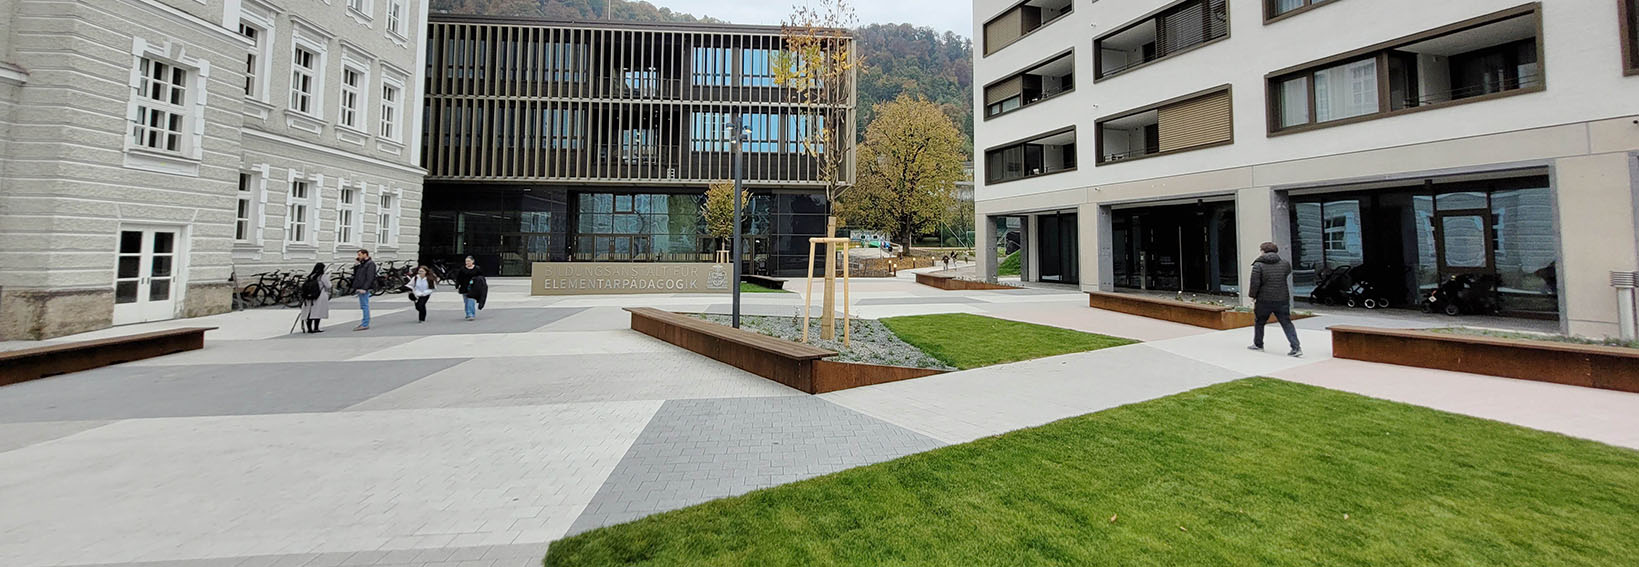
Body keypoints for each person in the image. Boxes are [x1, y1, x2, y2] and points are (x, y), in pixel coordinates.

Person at [1248, 241, 1302, 357]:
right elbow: (1286, 274)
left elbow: (1255, 283)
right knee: (1286, 323)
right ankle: (1296, 347)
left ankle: (1258, 344)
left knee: (1260, 322)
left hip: (1264, 299)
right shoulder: (1285, 264)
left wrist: (1252, 296)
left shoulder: (1258, 265)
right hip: (1282, 298)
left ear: (1263, 251)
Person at [298, 263, 331, 333]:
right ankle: (316, 328)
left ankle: (309, 328)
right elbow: (328, 285)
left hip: (309, 296)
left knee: (309, 312)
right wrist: (328, 276)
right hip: (319, 295)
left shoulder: (310, 276)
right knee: (318, 312)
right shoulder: (322, 276)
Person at [351, 249, 378, 331]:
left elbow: (370, 277)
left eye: (359, 255)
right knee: (363, 305)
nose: (358, 256)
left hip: (364, 288)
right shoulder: (363, 263)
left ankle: (365, 323)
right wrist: (356, 265)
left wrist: (364, 288)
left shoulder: (370, 264)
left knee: (365, 305)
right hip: (360, 287)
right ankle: (364, 323)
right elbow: (357, 275)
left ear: (365, 254)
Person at [455, 256, 483, 321]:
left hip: (473, 288)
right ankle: (468, 313)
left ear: (473, 261)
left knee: (471, 301)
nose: (467, 262)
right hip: (464, 287)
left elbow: (481, 278)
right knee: (466, 302)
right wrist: (457, 285)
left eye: (469, 261)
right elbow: (459, 278)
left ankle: (471, 314)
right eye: (466, 261)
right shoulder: (462, 269)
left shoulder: (477, 269)